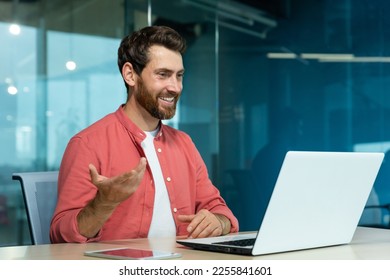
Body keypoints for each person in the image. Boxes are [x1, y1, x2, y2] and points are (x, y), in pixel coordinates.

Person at [50, 25, 239, 243]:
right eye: (163, 75)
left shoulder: (184, 143)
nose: (175, 87)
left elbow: (219, 209)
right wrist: (104, 203)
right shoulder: (88, 144)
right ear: (130, 74)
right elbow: (60, 236)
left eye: (179, 76)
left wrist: (218, 221)